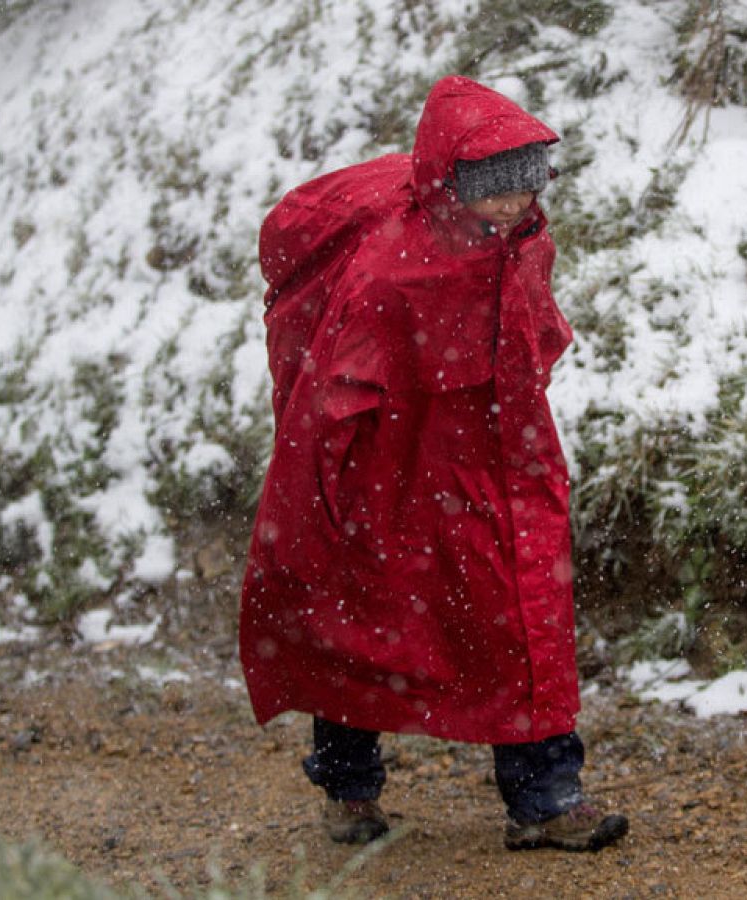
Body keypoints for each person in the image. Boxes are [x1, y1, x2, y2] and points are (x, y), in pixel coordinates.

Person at [239, 75, 628, 853]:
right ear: (453, 183)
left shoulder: (524, 238)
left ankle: (547, 798)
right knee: (364, 619)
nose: (516, 203)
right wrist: (333, 495)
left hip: (499, 463)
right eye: (494, 187)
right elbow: (338, 390)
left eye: (527, 184)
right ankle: (348, 790)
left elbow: (532, 335)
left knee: (526, 621)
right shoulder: (390, 271)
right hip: (398, 471)